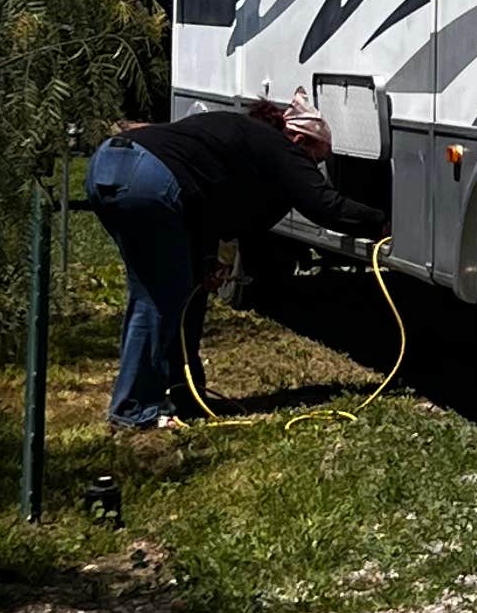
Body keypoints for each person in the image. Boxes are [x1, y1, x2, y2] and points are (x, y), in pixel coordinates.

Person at [84, 96, 371, 432]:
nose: (313, 167)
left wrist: (205, 260)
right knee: (158, 299)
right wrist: (381, 222)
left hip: (109, 164)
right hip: (149, 179)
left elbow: (202, 198)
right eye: (315, 159)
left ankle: (185, 394)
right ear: (300, 140)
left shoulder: (240, 137)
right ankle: (133, 412)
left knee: (179, 291)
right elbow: (324, 205)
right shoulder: (282, 147)